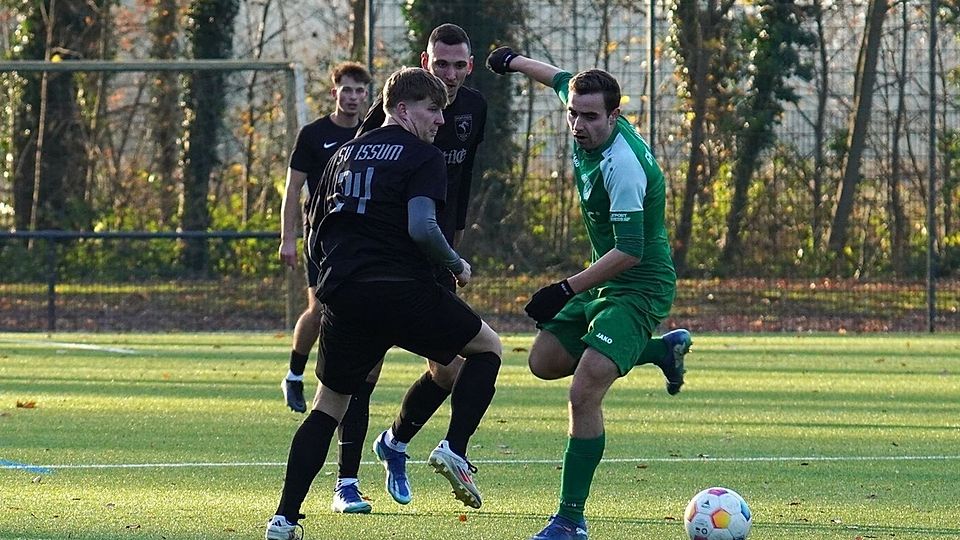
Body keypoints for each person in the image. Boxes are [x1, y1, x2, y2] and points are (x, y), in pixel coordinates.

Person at [264, 67, 502, 540]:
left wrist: (330, 279)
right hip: (402, 290)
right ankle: (454, 448)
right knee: (487, 348)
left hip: (345, 295)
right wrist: (456, 263)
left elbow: (316, 227)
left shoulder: (344, 153)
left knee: (327, 406)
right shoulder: (423, 156)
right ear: (401, 110)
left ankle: (284, 519)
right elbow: (421, 227)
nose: (439, 120)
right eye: (432, 110)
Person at [486, 46, 693, 540]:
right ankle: (661, 350)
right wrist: (512, 60)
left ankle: (570, 519)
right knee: (543, 363)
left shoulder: (622, 166)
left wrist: (564, 289)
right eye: (573, 115)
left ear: (615, 116)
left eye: (591, 117)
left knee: (583, 391)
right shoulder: (582, 110)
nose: (579, 125)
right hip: (604, 279)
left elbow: (630, 252)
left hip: (638, 285)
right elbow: (557, 77)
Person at [326, 22, 488, 514]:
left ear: (470, 66)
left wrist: (451, 250)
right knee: (364, 369)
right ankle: (347, 483)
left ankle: (395, 442)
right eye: (442, 63)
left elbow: (458, 184)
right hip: (387, 255)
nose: (451, 73)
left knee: (450, 369)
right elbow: (361, 168)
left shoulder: (476, 109)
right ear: (425, 62)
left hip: (436, 253)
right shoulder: (394, 110)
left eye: (460, 65)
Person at [278, 62, 371, 415]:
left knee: (356, 312)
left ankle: (341, 384)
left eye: (359, 90)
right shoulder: (313, 135)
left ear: (367, 95)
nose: (352, 97)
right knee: (318, 310)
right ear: (334, 93)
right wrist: (288, 238)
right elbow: (292, 189)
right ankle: (294, 375)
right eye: (346, 90)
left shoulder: (370, 133)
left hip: (359, 238)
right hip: (321, 236)